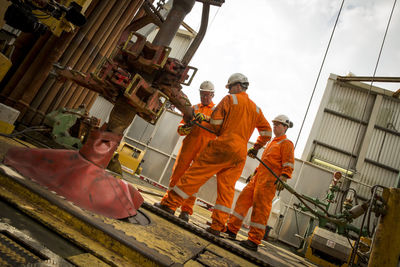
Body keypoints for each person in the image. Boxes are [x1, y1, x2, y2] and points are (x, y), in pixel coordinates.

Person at [156, 73, 272, 236]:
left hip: (223, 146)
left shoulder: (229, 100)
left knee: (194, 175)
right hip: (240, 154)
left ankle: (170, 204)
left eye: (230, 87)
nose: (230, 90)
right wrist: (257, 146)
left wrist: (207, 123)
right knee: (226, 190)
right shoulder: (256, 109)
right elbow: (267, 132)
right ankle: (217, 226)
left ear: (237, 86)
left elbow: (216, 125)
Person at [224, 114, 295, 251]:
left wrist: (284, 176)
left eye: (278, 124)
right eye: (274, 124)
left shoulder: (286, 144)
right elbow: (266, 162)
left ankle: (254, 240)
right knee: (242, 201)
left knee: (260, 209)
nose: (274, 126)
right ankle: (231, 230)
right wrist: (254, 173)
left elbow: (289, 163)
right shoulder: (272, 142)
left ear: (285, 127)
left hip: (269, 182)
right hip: (258, 178)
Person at [160, 81, 217, 222]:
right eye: (202, 94)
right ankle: (167, 203)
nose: (204, 97)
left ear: (212, 95)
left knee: (192, 181)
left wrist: (207, 119)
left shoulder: (216, 112)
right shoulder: (193, 108)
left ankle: (186, 210)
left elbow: (219, 129)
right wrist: (183, 129)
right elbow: (181, 126)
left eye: (207, 95)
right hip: (189, 146)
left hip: (204, 150)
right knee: (177, 175)